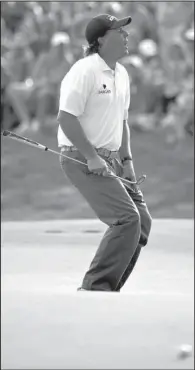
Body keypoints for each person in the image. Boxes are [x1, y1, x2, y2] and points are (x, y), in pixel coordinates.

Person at [57, 14, 152, 292]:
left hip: (113, 160)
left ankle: (110, 286)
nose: (126, 36)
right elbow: (66, 118)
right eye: (119, 32)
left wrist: (127, 160)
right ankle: (96, 287)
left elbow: (122, 123)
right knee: (126, 219)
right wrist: (91, 157)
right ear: (100, 39)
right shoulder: (84, 70)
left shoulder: (121, 73)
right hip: (82, 157)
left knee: (142, 221)